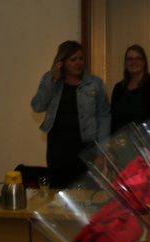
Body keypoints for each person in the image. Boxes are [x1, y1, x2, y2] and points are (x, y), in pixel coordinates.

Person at [30, 40, 110, 189]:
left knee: (87, 190)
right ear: (62, 62)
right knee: (59, 188)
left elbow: (104, 117)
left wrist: (101, 152)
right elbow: (37, 106)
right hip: (58, 147)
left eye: (80, 58)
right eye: (73, 60)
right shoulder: (50, 79)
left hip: (86, 146)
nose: (78, 63)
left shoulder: (94, 83)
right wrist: (54, 80)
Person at [109, 44, 150, 133]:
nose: (133, 62)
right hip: (121, 139)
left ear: (144, 62)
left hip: (147, 139)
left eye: (138, 58)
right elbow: (113, 120)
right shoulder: (118, 88)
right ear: (125, 63)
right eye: (130, 59)